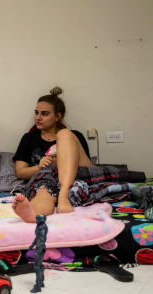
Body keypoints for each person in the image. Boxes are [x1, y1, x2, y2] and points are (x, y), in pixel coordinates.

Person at [11, 87, 92, 222]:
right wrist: (39, 167)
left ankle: (63, 194)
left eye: (45, 114)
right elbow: (20, 172)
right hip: (47, 180)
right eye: (36, 113)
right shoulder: (29, 138)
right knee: (44, 189)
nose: (38, 117)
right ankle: (33, 214)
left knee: (65, 134)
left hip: (74, 178)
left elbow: (86, 168)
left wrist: (62, 161)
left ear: (58, 116)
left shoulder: (74, 136)